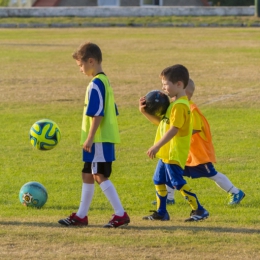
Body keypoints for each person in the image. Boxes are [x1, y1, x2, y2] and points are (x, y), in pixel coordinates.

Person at [58, 42, 130, 228]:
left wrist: (90, 137)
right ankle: (81, 215)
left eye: (80, 65)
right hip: (98, 139)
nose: (80, 69)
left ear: (91, 61)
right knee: (87, 174)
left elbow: (98, 113)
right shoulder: (104, 81)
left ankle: (120, 214)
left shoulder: (96, 84)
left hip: (98, 140)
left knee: (98, 174)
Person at [151, 79, 245, 206]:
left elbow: (196, 128)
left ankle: (235, 192)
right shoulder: (177, 106)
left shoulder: (190, 108)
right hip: (183, 151)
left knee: (211, 173)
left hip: (197, 152)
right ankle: (169, 197)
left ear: (183, 90)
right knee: (171, 171)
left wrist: (177, 132)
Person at [139, 64, 209, 222]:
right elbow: (162, 124)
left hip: (174, 152)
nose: (163, 87)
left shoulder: (180, 106)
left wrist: (156, 146)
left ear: (178, 84)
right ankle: (161, 212)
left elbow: (174, 130)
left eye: (165, 84)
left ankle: (199, 210)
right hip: (166, 152)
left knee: (177, 182)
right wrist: (144, 112)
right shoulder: (172, 105)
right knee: (158, 180)